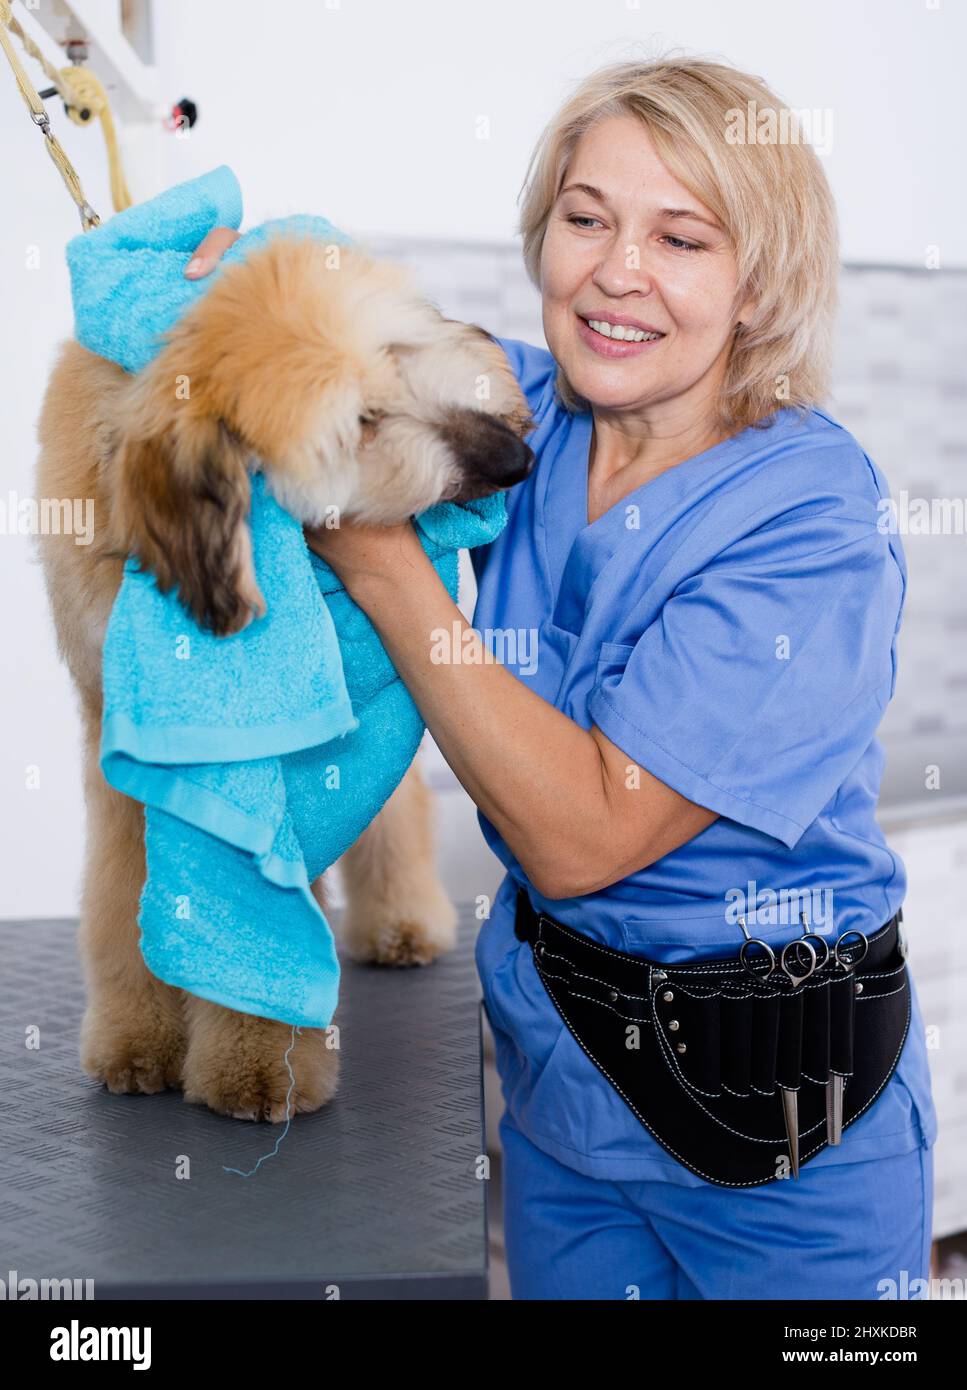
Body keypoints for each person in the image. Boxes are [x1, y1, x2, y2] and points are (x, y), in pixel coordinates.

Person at [186, 57, 937, 1301]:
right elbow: (364, 331)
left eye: (682, 237)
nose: (617, 269)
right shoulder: (522, 413)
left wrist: (385, 565)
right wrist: (227, 291)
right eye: (586, 217)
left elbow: (588, 835)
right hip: (564, 1102)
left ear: (760, 285)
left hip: (787, 1146)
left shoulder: (810, 520)